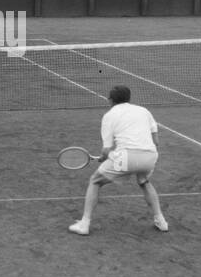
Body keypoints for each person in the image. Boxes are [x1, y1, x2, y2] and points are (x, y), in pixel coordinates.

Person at [69, 85, 168, 236]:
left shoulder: (109, 116)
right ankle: (161, 221)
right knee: (144, 182)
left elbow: (106, 150)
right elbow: (156, 140)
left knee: (95, 181)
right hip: (150, 156)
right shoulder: (143, 111)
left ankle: (84, 224)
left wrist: (103, 158)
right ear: (129, 98)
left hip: (126, 157)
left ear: (110, 100)